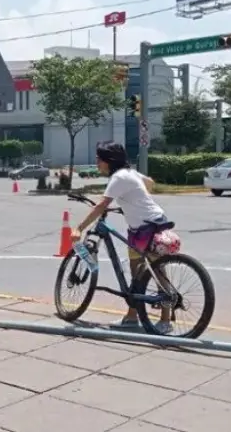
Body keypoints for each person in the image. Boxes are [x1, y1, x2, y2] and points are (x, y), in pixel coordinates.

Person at [70, 143, 173, 333]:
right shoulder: (130, 173)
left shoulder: (118, 178)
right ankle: (132, 316)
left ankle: (166, 320)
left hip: (149, 226)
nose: (97, 163)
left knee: (157, 271)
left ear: (109, 161)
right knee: (136, 273)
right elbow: (149, 181)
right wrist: (133, 200)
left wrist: (79, 228)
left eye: (99, 159)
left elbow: (102, 205)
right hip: (140, 227)